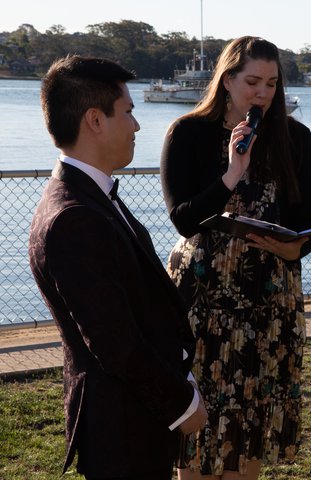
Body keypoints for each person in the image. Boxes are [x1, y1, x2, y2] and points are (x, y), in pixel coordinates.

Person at [29, 55, 208, 480]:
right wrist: (182, 404)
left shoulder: (91, 196)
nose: (136, 125)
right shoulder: (75, 217)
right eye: (127, 112)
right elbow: (114, 342)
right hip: (122, 427)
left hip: (133, 418)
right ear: (95, 120)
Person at [160, 36, 311, 479]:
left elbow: (308, 225)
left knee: (252, 415)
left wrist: (295, 247)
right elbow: (184, 219)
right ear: (227, 79)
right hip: (203, 299)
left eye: (271, 83)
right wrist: (233, 172)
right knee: (198, 422)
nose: (263, 93)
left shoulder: (298, 139)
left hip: (268, 298)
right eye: (252, 81)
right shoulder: (188, 133)